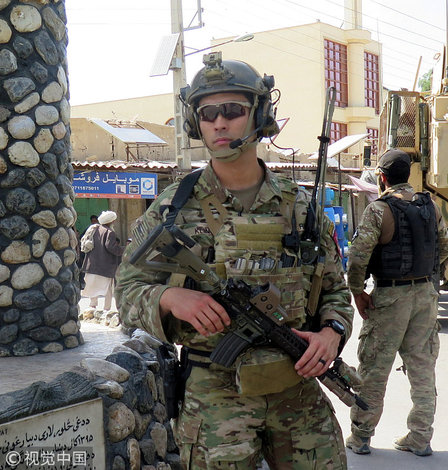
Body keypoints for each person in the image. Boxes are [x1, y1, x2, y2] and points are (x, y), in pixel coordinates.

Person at [115, 54, 352, 469]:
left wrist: (331, 334)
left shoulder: (299, 205)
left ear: (259, 115)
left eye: (232, 111)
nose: (219, 124)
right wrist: (170, 297)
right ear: (196, 123)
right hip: (214, 399)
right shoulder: (174, 208)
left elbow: (334, 289)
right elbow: (127, 289)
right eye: (208, 114)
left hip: (297, 387)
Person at [344, 149, 448, 457]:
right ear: (408, 176)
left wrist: (357, 291)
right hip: (426, 296)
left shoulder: (379, 210)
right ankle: (420, 437)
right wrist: (421, 274)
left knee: (375, 369)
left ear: (381, 178)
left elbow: (358, 258)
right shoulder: (430, 205)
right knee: (422, 369)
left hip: (391, 297)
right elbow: (444, 247)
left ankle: (361, 436)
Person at [81, 210, 124, 313]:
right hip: (105, 265)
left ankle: (92, 305)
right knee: (108, 288)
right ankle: (106, 308)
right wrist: (124, 249)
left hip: (92, 264)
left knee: (92, 285)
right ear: (110, 221)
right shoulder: (109, 232)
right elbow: (111, 247)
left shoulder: (94, 229)